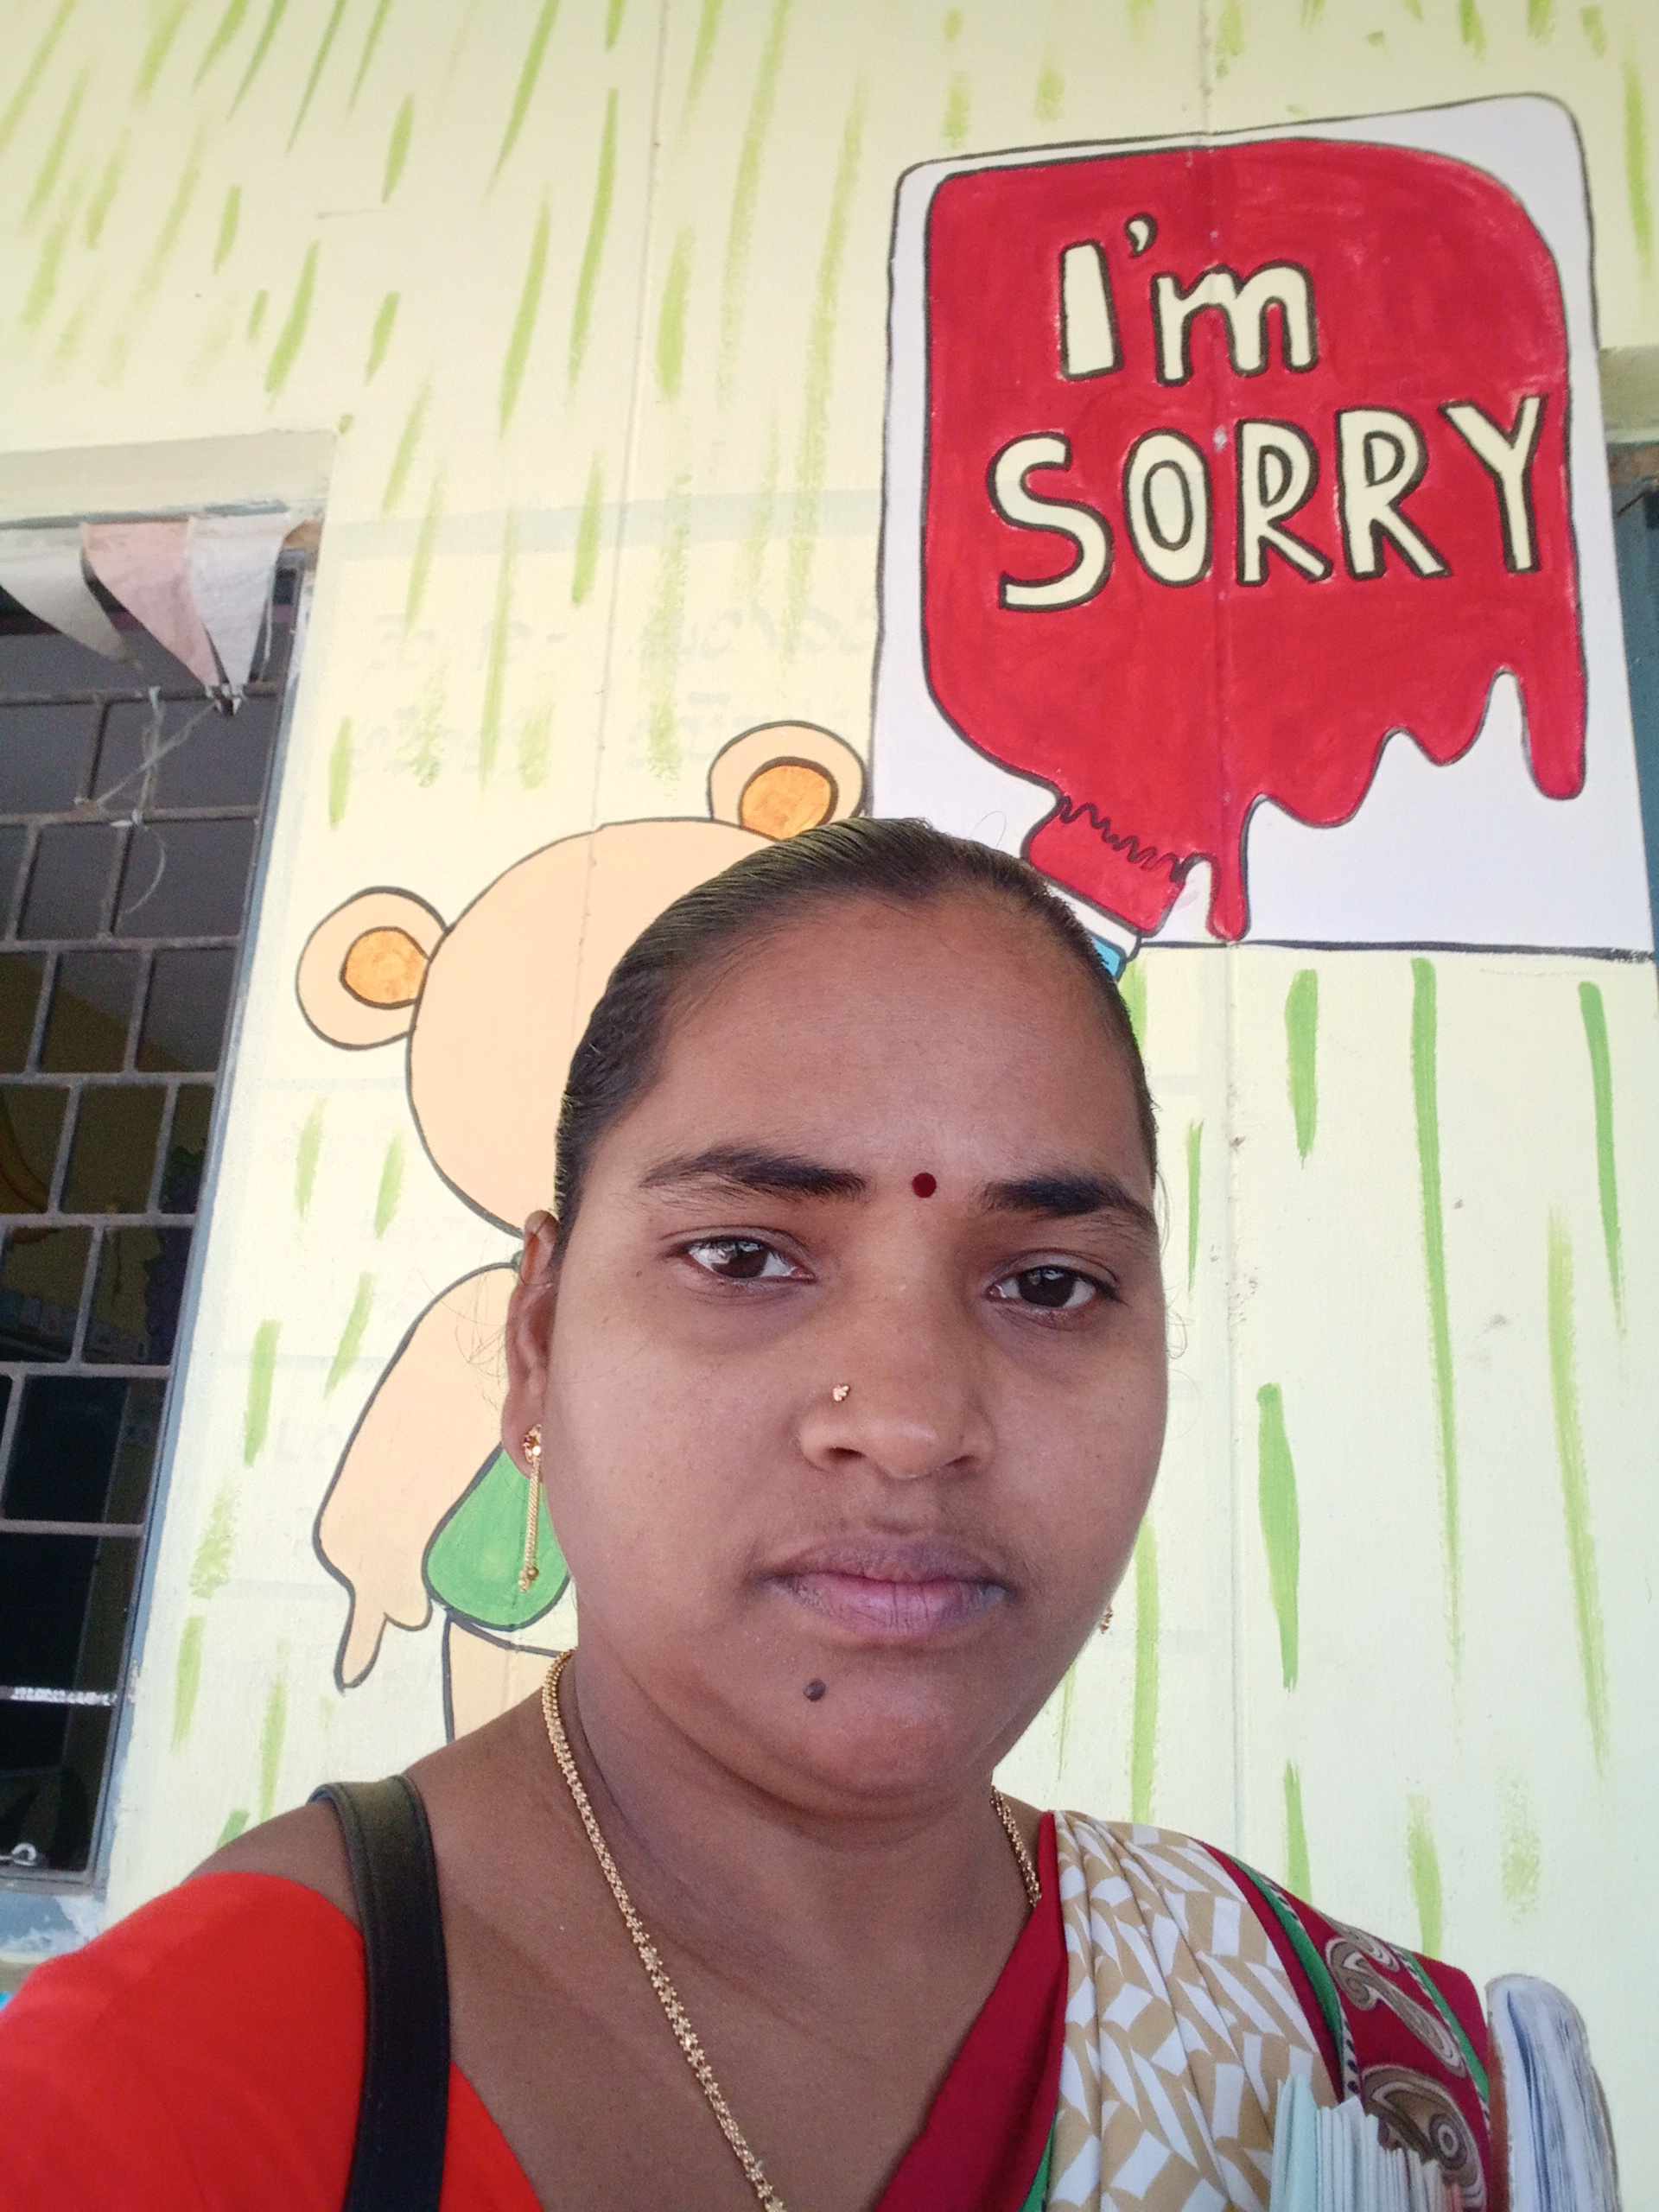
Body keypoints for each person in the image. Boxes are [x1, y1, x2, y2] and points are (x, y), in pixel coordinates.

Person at [0, 819, 1495, 2209]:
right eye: (743, 1257)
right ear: (537, 1342)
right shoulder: (153, 2099)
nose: (909, 1424)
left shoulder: (1346, 2075)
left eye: (1050, 1284)